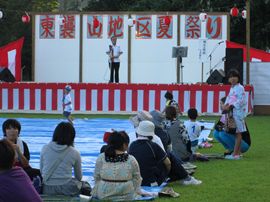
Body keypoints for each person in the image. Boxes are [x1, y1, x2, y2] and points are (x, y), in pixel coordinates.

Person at [129, 121, 201, 186]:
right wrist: (167, 173)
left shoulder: (132, 145)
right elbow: (168, 163)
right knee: (169, 155)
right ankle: (185, 177)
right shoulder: (154, 145)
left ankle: (183, 176)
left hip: (136, 181)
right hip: (152, 182)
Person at [92, 131, 148, 201]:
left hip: (103, 194)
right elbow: (137, 179)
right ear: (125, 145)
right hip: (127, 195)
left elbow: (96, 177)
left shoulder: (101, 157)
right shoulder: (131, 159)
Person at [40, 122, 91, 196]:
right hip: (67, 188)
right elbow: (79, 177)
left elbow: (42, 171)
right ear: (72, 137)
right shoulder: (74, 152)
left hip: (47, 188)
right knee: (85, 185)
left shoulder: (45, 148)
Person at [221, 69, 249, 160]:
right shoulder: (232, 88)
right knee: (236, 133)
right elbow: (229, 98)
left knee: (238, 134)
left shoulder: (240, 88)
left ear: (238, 78)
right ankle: (237, 153)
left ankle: (236, 154)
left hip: (238, 113)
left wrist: (231, 105)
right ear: (228, 79)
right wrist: (225, 105)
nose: (233, 79)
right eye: (231, 77)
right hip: (233, 113)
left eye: (235, 76)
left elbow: (242, 100)